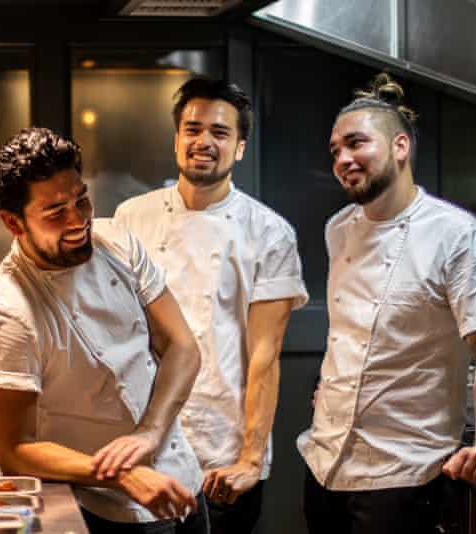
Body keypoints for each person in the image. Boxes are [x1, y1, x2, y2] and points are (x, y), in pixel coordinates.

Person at [298, 73, 476, 534]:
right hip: (325, 460)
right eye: (335, 150)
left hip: (405, 473)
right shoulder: (338, 228)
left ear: (400, 147)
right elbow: (352, 336)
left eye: (356, 143)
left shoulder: (456, 235)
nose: (342, 159)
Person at [0, 127, 208, 534]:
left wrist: (149, 435)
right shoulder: (8, 311)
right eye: (55, 212)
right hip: (103, 511)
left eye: (81, 200)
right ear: (13, 223)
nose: (79, 219)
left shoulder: (117, 242)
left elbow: (182, 346)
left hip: (181, 479)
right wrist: (119, 473)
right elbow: (15, 450)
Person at [114, 78, 309, 534]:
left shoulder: (269, 232)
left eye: (220, 133)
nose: (204, 142)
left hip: (221, 455)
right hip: (143, 447)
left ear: (240, 147)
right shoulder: (130, 217)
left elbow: (265, 355)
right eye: (193, 129)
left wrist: (250, 458)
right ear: (176, 140)